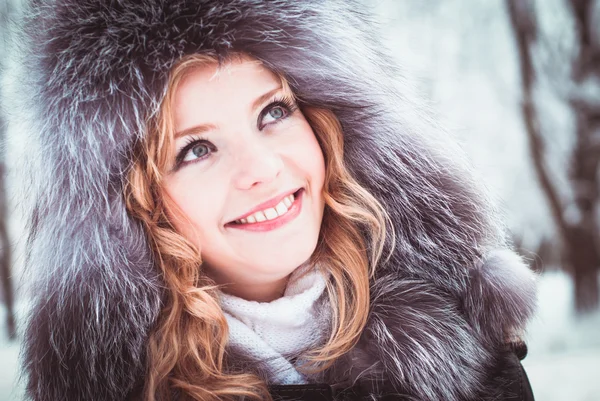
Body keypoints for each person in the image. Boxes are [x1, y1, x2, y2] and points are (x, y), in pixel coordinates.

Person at [4, 0, 537, 400]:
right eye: (195, 149)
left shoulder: (466, 345)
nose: (261, 169)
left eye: (273, 112)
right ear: (133, 203)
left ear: (327, 124)